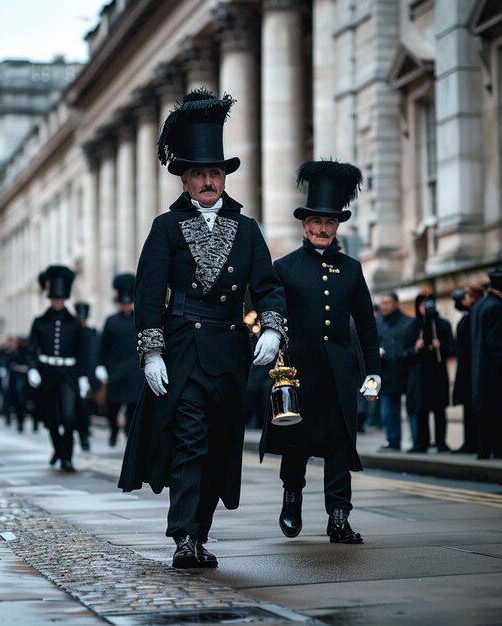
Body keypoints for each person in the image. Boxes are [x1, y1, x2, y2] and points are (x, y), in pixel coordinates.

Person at [118, 89, 286, 569]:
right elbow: (148, 297)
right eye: (198, 174)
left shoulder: (248, 229)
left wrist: (271, 330)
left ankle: (202, 532)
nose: (208, 181)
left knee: (218, 447)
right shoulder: (165, 228)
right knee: (189, 444)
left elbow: (268, 289)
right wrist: (151, 353)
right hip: (183, 350)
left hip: (231, 352)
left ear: (224, 176)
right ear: (186, 180)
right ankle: (184, 537)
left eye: (215, 172)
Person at [260, 160, 381, 545]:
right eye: (315, 222)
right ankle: (292, 497)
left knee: (340, 446)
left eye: (329, 222)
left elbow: (365, 324)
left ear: (337, 226)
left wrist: (372, 371)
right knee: (296, 446)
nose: (322, 228)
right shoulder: (284, 268)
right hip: (298, 374)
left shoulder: (352, 268)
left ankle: (339, 518)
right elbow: (271, 315)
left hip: (340, 374)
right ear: (303, 225)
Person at [27, 265, 90, 472]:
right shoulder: (39, 322)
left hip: (68, 374)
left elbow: (82, 351)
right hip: (47, 373)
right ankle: (59, 449)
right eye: (54, 299)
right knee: (51, 418)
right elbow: (31, 348)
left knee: (69, 416)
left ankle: (67, 457)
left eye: (60, 299)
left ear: (65, 300)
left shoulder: (74, 324)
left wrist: (83, 377)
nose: (57, 303)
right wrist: (33, 368)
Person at [95, 274, 144, 447]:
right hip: (115, 370)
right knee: (112, 407)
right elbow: (102, 345)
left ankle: (129, 437)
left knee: (133, 408)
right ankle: (114, 429)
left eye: (128, 302)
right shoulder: (111, 321)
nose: (126, 305)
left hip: (135, 371)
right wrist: (100, 365)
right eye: (123, 302)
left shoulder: (140, 318)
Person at [405, 294, 455, 453]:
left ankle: (441, 442)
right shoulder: (413, 326)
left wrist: (441, 347)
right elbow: (404, 353)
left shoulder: (443, 324)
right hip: (420, 376)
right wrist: (415, 348)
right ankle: (421, 443)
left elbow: (453, 349)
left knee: (439, 409)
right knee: (421, 410)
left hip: (438, 374)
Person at [376, 292, 418, 451]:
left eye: (387, 302)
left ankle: (417, 442)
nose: (383, 306)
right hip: (387, 373)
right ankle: (392, 441)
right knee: (388, 412)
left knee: (412, 410)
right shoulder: (377, 322)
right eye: (382, 302)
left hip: (408, 372)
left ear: (396, 303)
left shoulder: (409, 322)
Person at [470, 269, 502, 459]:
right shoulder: (496, 307)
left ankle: (483, 450)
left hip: (479, 369)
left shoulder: (480, 305)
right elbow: (496, 343)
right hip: (493, 370)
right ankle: (498, 450)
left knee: (485, 413)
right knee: (496, 413)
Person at [451, 285, 484, 454]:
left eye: (467, 296)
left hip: (473, 366)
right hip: (465, 366)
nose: (464, 300)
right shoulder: (468, 316)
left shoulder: (475, 315)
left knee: (474, 405)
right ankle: (469, 442)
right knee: (467, 405)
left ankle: (476, 442)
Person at [74, 302, 99, 451]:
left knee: (88, 407)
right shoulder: (74, 332)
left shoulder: (92, 332)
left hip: (90, 374)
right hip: (77, 375)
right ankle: (83, 435)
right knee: (80, 408)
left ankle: (86, 431)